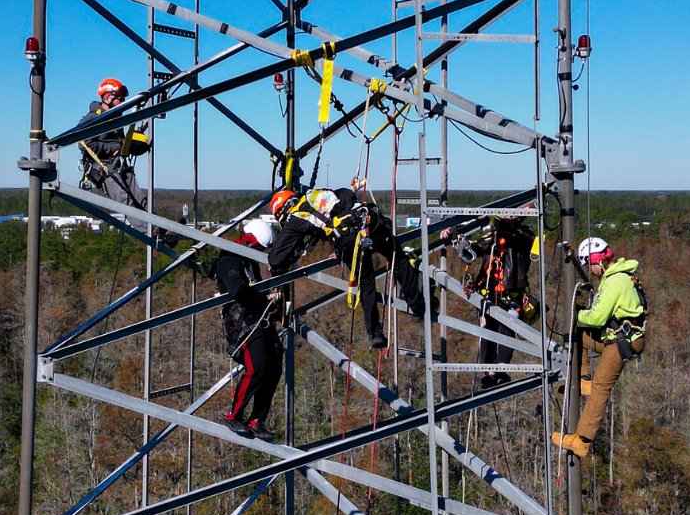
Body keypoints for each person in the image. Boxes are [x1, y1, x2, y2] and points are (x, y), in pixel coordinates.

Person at [267, 185, 428, 349]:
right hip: (371, 224)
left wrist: (278, 275)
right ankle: (418, 308)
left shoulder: (295, 218)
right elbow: (345, 198)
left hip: (351, 241)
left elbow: (275, 258)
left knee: (366, 283)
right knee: (399, 259)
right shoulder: (314, 195)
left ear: (282, 211)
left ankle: (375, 333)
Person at [552, 237, 647, 458]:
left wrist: (576, 314)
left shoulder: (615, 281)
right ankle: (584, 380)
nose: (590, 271)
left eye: (589, 265)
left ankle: (582, 440)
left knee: (601, 388)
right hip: (618, 336)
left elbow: (596, 318)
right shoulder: (621, 276)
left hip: (622, 341)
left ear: (599, 261)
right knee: (579, 336)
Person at [440, 216, 537, 389]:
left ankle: (501, 370)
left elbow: (521, 237)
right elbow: (472, 250)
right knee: (487, 331)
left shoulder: (524, 235)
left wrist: (503, 221)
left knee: (507, 330)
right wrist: (454, 234)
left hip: (511, 293)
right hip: (489, 291)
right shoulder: (492, 238)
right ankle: (489, 372)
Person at [214, 219, 283, 441]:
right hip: (242, 321)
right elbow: (239, 290)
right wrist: (265, 299)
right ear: (250, 242)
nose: (260, 252)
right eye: (259, 248)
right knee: (257, 368)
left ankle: (256, 420)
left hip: (258, 318)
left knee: (274, 368)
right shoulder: (229, 260)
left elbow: (253, 288)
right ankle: (234, 416)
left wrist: (270, 302)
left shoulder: (248, 261)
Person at [77, 77, 150, 210]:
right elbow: (84, 144)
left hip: (118, 165)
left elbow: (119, 141)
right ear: (107, 98)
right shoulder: (92, 118)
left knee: (141, 200)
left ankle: (156, 222)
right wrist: (113, 148)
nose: (122, 102)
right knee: (126, 203)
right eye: (120, 99)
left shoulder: (116, 118)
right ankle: (145, 224)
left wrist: (131, 145)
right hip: (103, 168)